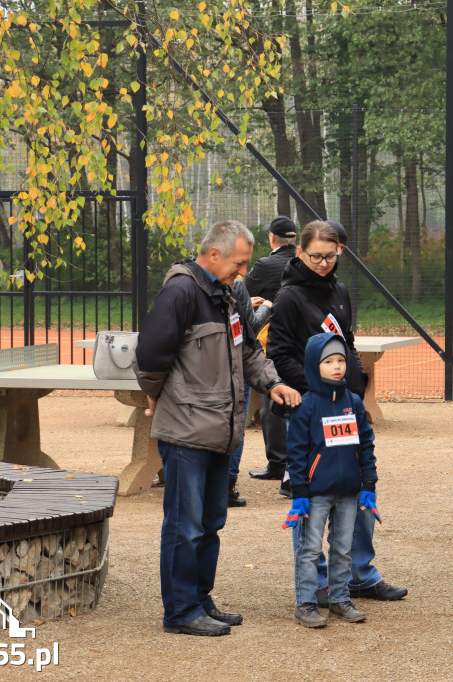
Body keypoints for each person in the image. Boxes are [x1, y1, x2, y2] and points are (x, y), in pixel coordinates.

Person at [134, 220, 301, 637]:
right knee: (184, 524)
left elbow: (247, 350)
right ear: (213, 255)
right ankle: (180, 610)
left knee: (210, 522)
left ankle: (199, 599)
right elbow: (150, 355)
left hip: (220, 430)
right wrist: (158, 396)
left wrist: (273, 382)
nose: (243, 272)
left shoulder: (225, 295)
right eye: (239, 263)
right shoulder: (181, 292)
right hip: (189, 430)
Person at [269, 220, 407, 602]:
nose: (324, 263)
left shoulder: (341, 291)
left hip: (344, 410)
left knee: (357, 487)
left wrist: (356, 385)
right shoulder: (288, 298)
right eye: (316, 256)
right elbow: (277, 354)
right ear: (300, 253)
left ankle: (359, 575)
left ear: (340, 252)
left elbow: (346, 343)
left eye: (331, 256)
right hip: (311, 411)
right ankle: (318, 583)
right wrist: (317, 390)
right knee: (314, 498)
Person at [283, 332, 379, 628]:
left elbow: (366, 445)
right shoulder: (306, 406)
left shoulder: (354, 402)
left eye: (341, 360)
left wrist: (369, 485)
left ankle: (340, 599)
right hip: (314, 495)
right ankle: (307, 603)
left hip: (350, 491)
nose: (337, 366)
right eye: (328, 361)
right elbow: (296, 453)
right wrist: (299, 492)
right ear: (315, 365)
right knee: (310, 549)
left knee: (343, 548)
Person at [247, 216, 300, 482]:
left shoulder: (266, 264)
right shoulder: (303, 263)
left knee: (272, 400)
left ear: (272, 238)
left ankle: (278, 464)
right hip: (301, 340)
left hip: (272, 339)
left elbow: (241, 291)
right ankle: (297, 464)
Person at [226, 277, 272, 507]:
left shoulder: (196, 279)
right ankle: (227, 486)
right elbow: (251, 326)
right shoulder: (237, 283)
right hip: (238, 365)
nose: (244, 270)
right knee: (237, 423)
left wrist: (246, 303)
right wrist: (266, 307)